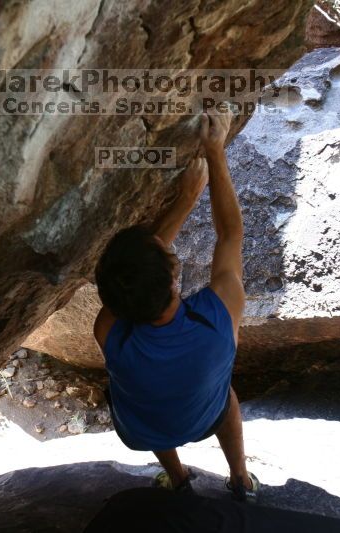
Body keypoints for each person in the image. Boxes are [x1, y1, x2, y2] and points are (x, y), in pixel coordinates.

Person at [93, 110, 259, 502]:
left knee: (143, 400)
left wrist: (184, 201)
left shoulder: (107, 331)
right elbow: (230, 235)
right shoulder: (217, 320)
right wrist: (214, 153)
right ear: (173, 274)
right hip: (205, 417)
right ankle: (240, 478)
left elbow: (136, 279)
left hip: (141, 430)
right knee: (226, 396)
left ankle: (178, 477)